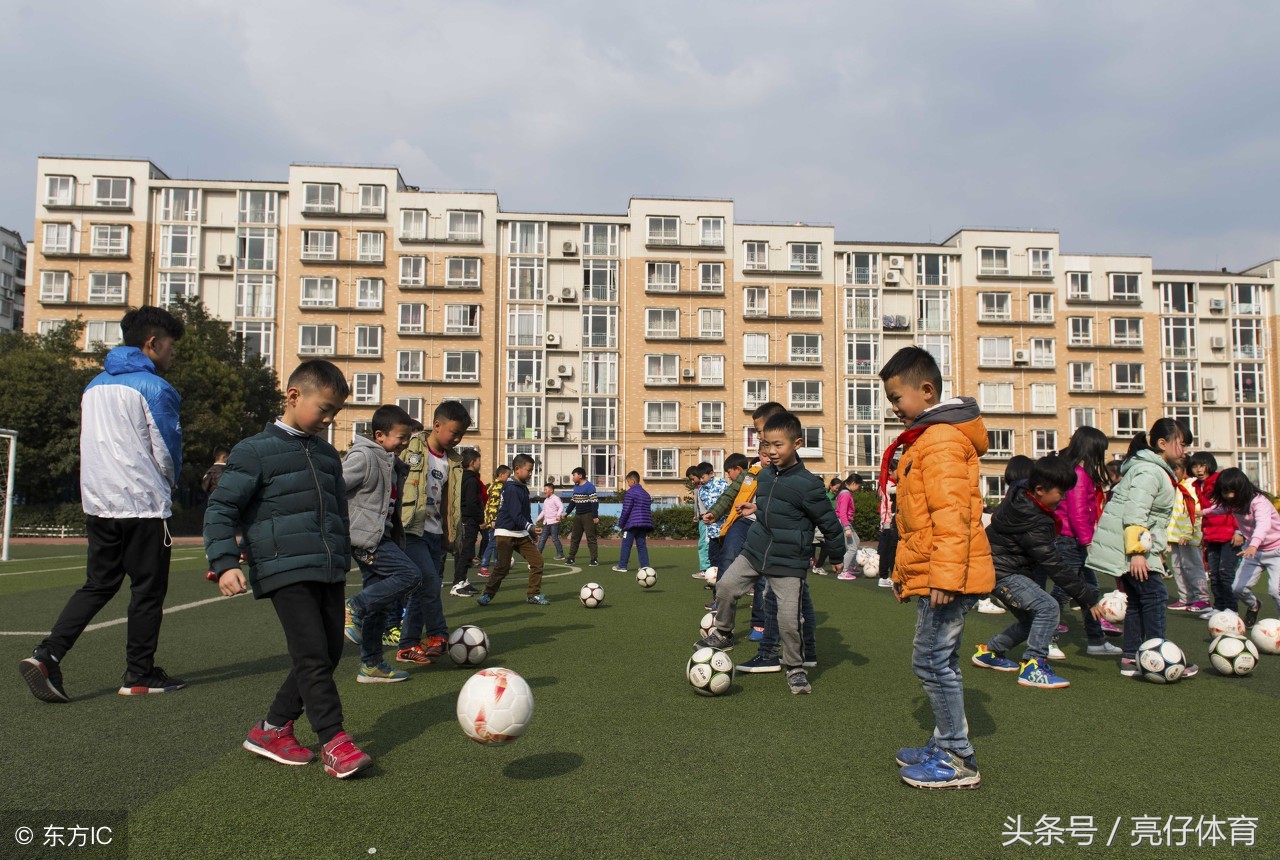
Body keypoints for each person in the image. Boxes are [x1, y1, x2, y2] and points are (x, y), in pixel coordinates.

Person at [202, 359, 371, 779]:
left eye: (335, 412)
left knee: (329, 651)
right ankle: (334, 740)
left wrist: (345, 556)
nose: (329, 420)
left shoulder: (328, 455)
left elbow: (338, 514)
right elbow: (221, 508)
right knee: (312, 652)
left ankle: (272, 728)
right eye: (324, 409)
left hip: (327, 568)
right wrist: (224, 562)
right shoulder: (254, 451)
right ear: (294, 396)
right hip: (283, 567)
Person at [19, 306, 186, 703]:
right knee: (147, 591)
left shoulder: (93, 385)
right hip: (143, 505)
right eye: (171, 345)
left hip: (99, 503)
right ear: (152, 343)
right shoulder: (156, 387)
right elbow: (166, 449)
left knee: (98, 585)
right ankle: (139, 674)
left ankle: (48, 654)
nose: (172, 352)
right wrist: (171, 484)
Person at [878, 346, 995, 790]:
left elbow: (952, 515)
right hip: (936, 571)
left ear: (926, 391)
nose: (894, 407)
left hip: (946, 577)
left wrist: (943, 578)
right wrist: (908, 574)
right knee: (938, 659)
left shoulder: (941, 440)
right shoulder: (928, 438)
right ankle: (945, 741)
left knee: (931, 662)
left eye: (896, 397)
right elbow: (919, 519)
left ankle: (957, 756)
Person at [696, 411, 845, 697]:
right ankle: (724, 633)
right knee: (725, 586)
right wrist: (757, 508)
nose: (772, 451)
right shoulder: (763, 476)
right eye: (766, 445)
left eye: (779, 445)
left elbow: (829, 523)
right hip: (755, 551)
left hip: (788, 561)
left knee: (789, 621)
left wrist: (837, 556)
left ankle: (795, 667)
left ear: (797, 444)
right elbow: (777, 507)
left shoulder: (809, 484)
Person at [971, 454, 1104, 688]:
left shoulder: (1022, 493)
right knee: (1048, 607)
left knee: (1032, 620)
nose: (1063, 498)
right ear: (1040, 490)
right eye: (1060, 493)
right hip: (1003, 572)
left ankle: (991, 652)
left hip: (999, 567)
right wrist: (1087, 597)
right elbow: (1054, 564)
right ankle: (1034, 665)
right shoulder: (1033, 519)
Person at [1085, 418, 1199, 678]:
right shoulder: (1150, 471)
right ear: (1163, 443)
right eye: (1181, 444)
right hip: (1133, 548)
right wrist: (1137, 553)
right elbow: (1136, 512)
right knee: (1155, 596)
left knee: (1138, 600)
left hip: (1134, 545)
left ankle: (1131, 657)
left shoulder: (1150, 468)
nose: (1184, 450)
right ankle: (1158, 657)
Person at [341, 405, 418, 683]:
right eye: (401, 437)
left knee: (380, 603)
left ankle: (371, 665)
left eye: (408, 437)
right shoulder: (364, 456)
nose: (405, 443)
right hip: (366, 538)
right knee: (410, 575)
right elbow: (335, 486)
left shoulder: (391, 463)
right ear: (379, 435)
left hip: (381, 537)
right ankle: (353, 607)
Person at [397, 402, 470, 667]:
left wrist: (450, 534)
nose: (457, 439)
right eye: (454, 432)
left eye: (461, 434)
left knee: (425, 588)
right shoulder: (411, 448)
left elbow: (448, 501)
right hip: (411, 528)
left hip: (435, 533)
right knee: (427, 580)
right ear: (437, 425)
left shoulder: (453, 461)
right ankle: (438, 634)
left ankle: (408, 645)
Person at [1054, 426, 1123, 651]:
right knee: (1064, 591)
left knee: (1089, 589)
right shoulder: (1079, 474)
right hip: (1071, 540)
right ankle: (1047, 639)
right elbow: (1077, 513)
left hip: (1071, 538)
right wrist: (1087, 541)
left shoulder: (1074, 471)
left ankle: (1096, 639)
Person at [1201, 467, 1280, 628]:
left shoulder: (1259, 502)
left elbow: (1263, 525)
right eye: (1225, 492)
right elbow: (1222, 508)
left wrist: (1253, 544)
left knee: (1275, 590)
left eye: (1233, 491)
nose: (1230, 496)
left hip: (1275, 550)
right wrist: (1203, 512)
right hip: (1253, 552)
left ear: (1242, 487)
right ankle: (1254, 605)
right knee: (1238, 589)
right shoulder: (1234, 503)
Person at [476, 454, 547, 605]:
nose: (531, 473)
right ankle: (487, 594)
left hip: (520, 533)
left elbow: (525, 514)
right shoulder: (512, 488)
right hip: (505, 533)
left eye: (532, 470)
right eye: (529, 470)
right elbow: (515, 515)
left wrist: (531, 531)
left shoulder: (522, 488)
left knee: (537, 562)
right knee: (502, 567)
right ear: (517, 469)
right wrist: (530, 527)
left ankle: (533, 594)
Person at [1190, 452, 1239, 616]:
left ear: (1210, 465)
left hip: (1228, 536)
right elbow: (1207, 514)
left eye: (1202, 466)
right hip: (1211, 536)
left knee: (1226, 573)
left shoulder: (1221, 482)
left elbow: (1235, 507)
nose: (1199, 470)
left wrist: (1238, 531)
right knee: (1214, 574)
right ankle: (1219, 608)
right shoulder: (1198, 486)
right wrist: (1204, 534)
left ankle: (1232, 609)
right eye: (1195, 466)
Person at [1167, 460, 1212, 615]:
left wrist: (1187, 532)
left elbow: (1194, 511)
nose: (1173, 473)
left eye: (1176, 469)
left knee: (1193, 567)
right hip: (1176, 536)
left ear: (1185, 470)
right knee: (1178, 568)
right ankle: (1185, 598)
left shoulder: (1191, 486)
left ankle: (1202, 599)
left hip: (1189, 536)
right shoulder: (1176, 486)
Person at [613, 471, 655, 571]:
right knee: (641, 545)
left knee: (626, 544)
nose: (628, 484)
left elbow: (626, 510)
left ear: (633, 480)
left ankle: (622, 566)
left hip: (631, 524)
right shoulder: (646, 494)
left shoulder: (630, 493)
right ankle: (645, 566)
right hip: (643, 524)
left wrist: (621, 523)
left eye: (628, 481)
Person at [697, 462, 730, 575]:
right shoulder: (701, 491)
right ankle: (714, 579)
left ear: (711, 473)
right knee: (713, 556)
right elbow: (704, 509)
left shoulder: (721, 483)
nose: (701, 480)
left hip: (725, 528)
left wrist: (727, 520)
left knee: (726, 556)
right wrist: (705, 517)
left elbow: (729, 502)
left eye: (703, 477)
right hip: (712, 530)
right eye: (699, 478)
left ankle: (726, 578)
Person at [564, 467, 600, 567]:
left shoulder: (590, 486)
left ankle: (594, 559)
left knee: (591, 537)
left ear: (580, 476)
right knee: (575, 537)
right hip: (578, 516)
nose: (572, 478)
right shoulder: (576, 487)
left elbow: (594, 502)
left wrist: (595, 516)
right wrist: (566, 513)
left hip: (588, 515)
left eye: (574, 475)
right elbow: (573, 501)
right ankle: (571, 558)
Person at [479, 465, 511, 575]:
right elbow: (493, 505)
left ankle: (498, 565)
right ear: (501, 475)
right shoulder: (497, 487)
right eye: (507, 475)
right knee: (493, 542)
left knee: (498, 542)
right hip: (495, 520)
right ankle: (484, 566)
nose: (508, 478)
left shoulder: (494, 485)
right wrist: (493, 520)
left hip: (495, 519)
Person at [835, 473, 860, 581]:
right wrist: (846, 528)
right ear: (853, 483)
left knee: (856, 541)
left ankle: (851, 567)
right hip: (844, 523)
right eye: (858, 486)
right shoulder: (845, 494)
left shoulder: (845, 493)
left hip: (845, 522)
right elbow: (842, 512)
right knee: (852, 548)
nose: (858, 488)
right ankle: (844, 571)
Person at [688, 465, 711, 578]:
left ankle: (706, 569)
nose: (692, 481)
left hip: (706, 519)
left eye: (693, 479)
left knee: (704, 544)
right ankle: (707, 569)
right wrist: (696, 517)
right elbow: (697, 505)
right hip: (702, 520)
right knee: (704, 544)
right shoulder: (697, 488)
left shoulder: (705, 488)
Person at [535, 483, 566, 559]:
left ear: (551, 490)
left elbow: (561, 506)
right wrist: (538, 519)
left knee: (554, 538)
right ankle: (538, 554)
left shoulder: (555, 498)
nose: (544, 491)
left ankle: (560, 554)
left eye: (546, 489)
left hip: (554, 522)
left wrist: (558, 515)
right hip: (546, 522)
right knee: (542, 538)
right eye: (544, 489)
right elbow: (544, 511)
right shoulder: (546, 500)